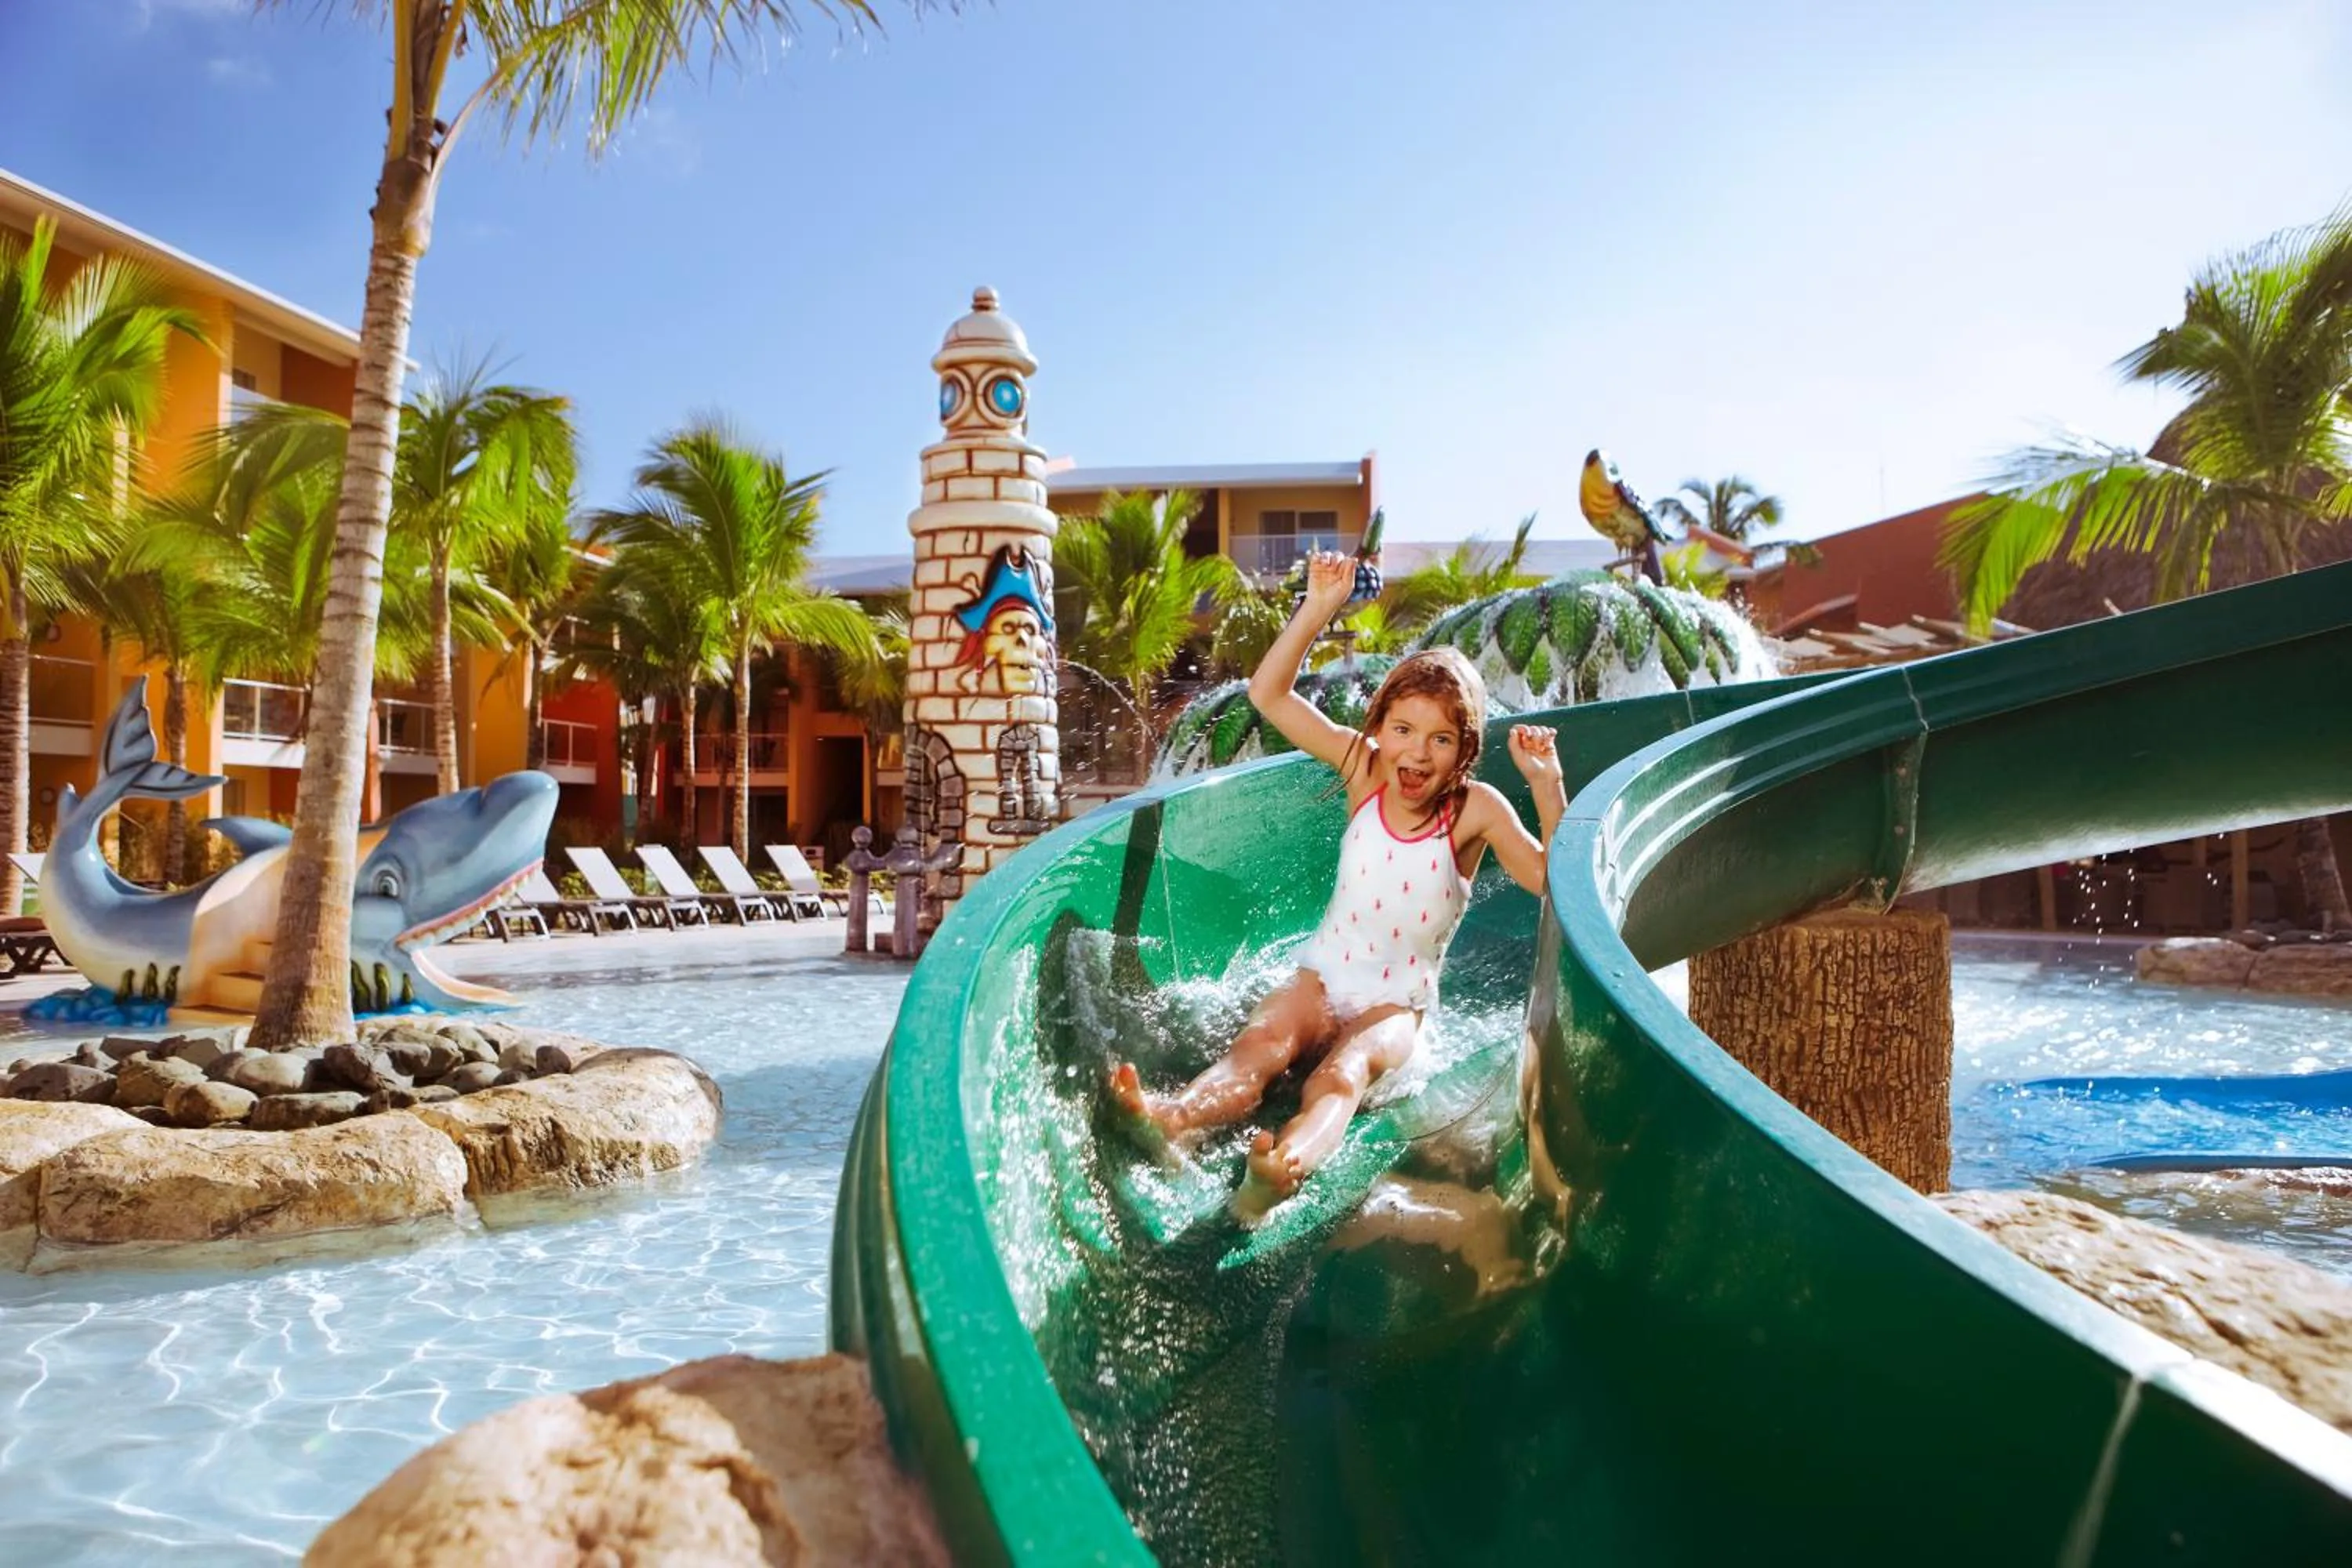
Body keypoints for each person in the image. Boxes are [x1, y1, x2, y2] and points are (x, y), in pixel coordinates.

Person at [1108, 549, 1568, 1222]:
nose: (1417, 752)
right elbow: (1267, 696)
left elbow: (1550, 882)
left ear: (1465, 750)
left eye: (1441, 740)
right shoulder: (1364, 768)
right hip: (1324, 975)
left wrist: (1546, 784)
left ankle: (1280, 1170)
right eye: (1403, 730)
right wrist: (1318, 608)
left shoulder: (1477, 810)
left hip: (1395, 1006)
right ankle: (1174, 1118)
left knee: (1340, 1076)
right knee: (1261, 1043)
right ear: (1378, 728)